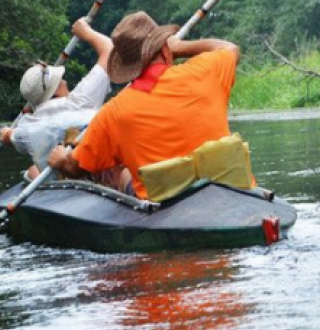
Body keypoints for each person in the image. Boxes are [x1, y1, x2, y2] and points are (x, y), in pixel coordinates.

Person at [47, 11, 241, 199]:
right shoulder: (205, 73)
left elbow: (75, 168)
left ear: (126, 68)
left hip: (162, 205)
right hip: (228, 190)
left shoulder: (113, 112)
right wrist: (179, 46)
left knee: (123, 175)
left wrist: (61, 160)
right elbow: (229, 48)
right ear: (166, 49)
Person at [0, 17, 114, 181]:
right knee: (33, 171)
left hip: (62, 193)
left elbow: (10, 137)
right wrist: (86, 32)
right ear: (56, 91)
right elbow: (109, 51)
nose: (65, 81)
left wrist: (5, 134)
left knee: (33, 171)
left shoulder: (26, 131)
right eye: (61, 80)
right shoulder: (81, 99)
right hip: (103, 185)